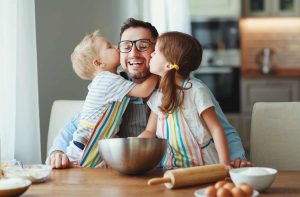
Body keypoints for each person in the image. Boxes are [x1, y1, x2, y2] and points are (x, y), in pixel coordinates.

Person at [46, 18, 252, 169]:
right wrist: (57, 152)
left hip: (172, 174)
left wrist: (235, 159)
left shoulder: (189, 90)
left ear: (159, 52)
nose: (134, 53)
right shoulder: (115, 89)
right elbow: (79, 124)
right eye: (126, 46)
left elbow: (224, 130)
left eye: (143, 46)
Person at [139, 31, 230, 169]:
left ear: (168, 65)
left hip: (205, 167)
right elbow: (150, 132)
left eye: (156, 52)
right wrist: (132, 145)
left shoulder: (196, 90)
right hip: (172, 169)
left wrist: (224, 165)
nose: (151, 54)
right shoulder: (158, 96)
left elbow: (216, 129)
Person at [65, 30, 157, 165]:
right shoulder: (107, 80)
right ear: (98, 63)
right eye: (109, 46)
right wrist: (159, 71)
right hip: (85, 145)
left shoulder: (113, 79)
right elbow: (144, 90)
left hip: (97, 142)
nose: (116, 46)